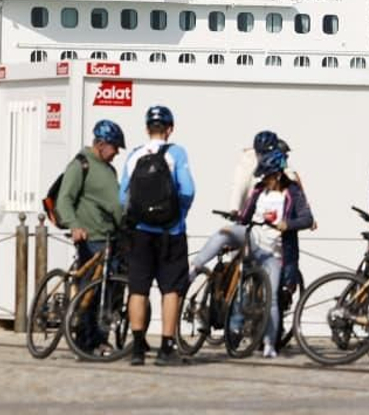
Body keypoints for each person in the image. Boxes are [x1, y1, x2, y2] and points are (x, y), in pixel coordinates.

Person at [119, 104, 197, 367]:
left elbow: (122, 197)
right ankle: (166, 348)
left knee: (138, 289)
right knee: (171, 289)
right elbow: (187, 190)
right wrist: (178, 216)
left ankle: (138, 348)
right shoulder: (177, 153)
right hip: (170, 232)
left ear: (146, 128)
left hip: (140, 233)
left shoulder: (134, 155)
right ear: (170, 129)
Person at [55, 120, 125, 355]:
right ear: (102, 144)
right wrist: (74, 225)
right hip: (90, 237)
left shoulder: (110, 169)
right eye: (115, 147)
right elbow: (64, 199)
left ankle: (101, 338)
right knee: (91, 292)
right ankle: (85, 340)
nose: (117, 152)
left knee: (111, 290)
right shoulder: (81, 165)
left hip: (111, 238)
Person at [236, 149, 313, 358]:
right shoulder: (259, 190)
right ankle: (236, 328)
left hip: (280, 255)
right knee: (244, 290)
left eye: (268, 176)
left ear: (278, 175)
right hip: (256, 250)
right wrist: (238, 223)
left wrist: (288, 224)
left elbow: (307, 219)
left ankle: (271, 341)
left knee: (274, 298)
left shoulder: (292, 192)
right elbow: (246, 215)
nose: (264, 181)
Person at [189, 129, 290, 276]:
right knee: (237, 257)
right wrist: (234, 209)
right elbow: (239, 185)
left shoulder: (277, 164)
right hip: (247, 219)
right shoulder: (248, 160)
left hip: (264, 225)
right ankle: (194, 269)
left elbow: (292, 187)